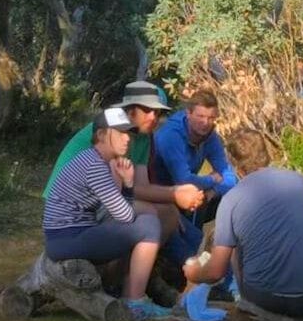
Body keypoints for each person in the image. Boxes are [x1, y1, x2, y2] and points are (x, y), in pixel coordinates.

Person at [182, 129, 303, 318]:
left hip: (263, 299)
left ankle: (239, 295)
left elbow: (215, 271)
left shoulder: (231, 200)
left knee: (232, 245)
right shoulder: (300, 182)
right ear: (266, 154)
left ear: (234, 164)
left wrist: (194, 273)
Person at [42, 107, 171, 320]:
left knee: (145, 221)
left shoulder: (91, 159)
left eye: (128, 133)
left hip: (68, 235)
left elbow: (119, 211)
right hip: (67, 239)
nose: (127, 139)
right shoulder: (94, 166)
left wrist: (127, 185)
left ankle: (130, 293)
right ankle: (135, 302)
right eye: (120, 133)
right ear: (101, 136)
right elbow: (124, 215)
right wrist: (129, 184)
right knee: (149, 225)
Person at [43, 81, 206, 246]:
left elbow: (142, 187)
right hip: (75, 207)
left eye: (158, 113)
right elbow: (119, 189)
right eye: (147, 110)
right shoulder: (111, 132)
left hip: (104, 197)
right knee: (157, 215)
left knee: (176, 222)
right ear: (130, 110)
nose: (153, 118)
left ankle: (195, 265)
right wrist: (175, 194)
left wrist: (176, 196)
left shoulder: (143, 136)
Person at [153, 88, 236, 261]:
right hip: (160, 196)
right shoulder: (171, 135)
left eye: (211, 118)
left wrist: (214, 190)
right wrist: (211, 179)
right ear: (188, 113)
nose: (206, 123)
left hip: (193, 198)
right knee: (192, 245)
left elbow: (230, 176)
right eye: (200, 117)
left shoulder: (210, 136)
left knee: (226, 198)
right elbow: (183, 179)